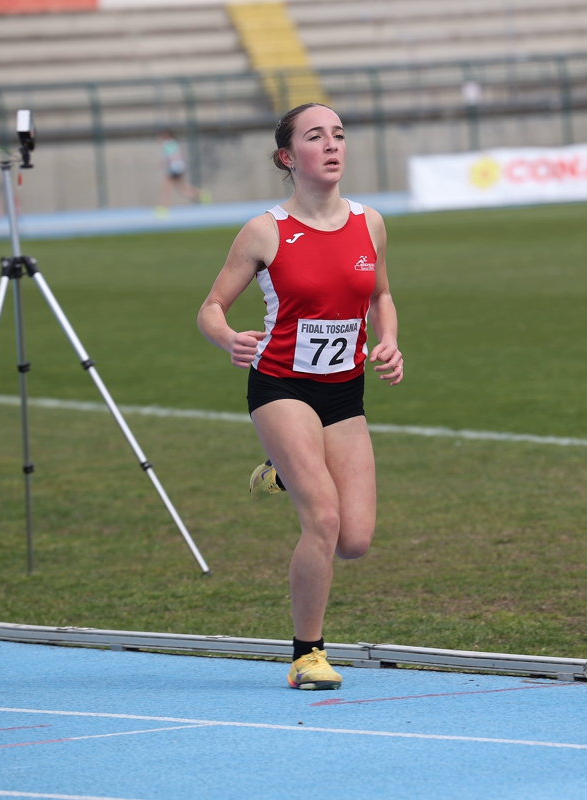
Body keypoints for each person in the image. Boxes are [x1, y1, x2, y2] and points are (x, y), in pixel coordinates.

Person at [197, 103, 403, 691]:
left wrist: (389, 340)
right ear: (289, 157)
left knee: (355, 541)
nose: (333, 145)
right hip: (281, 384)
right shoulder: (265, 230)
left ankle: (283, 469)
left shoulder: (371, 223)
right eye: (317, 136)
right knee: (325, 518)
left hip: (344, 391)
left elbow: (381, 295)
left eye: (339, 135)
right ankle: (307, 654)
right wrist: (229, 338)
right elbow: (210, 308)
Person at [158, 130, 199, 208]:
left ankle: (163, 206)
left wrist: (164, 163)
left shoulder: (168, 144)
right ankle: (201, 194)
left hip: (174, 169)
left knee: (166, 188)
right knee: (182, 189)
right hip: (178, 168)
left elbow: (171, 156)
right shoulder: (173, 143)